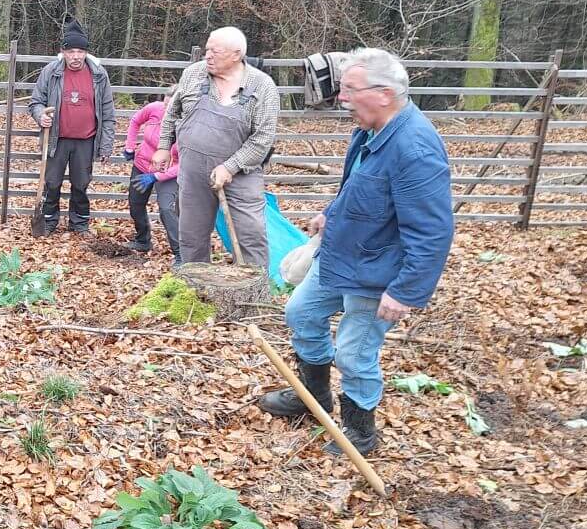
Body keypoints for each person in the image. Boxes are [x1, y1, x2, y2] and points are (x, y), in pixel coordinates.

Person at [257, 49, 453, 456]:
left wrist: (405, 291)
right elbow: (361, 186)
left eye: (350, 89)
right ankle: (314, 397)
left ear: (384, 93)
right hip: (342, 253)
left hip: (377, 269)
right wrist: (331, 213)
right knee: (301, 314)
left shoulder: (414, 149)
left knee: (354, 352)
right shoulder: (369, 132)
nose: (341, 98)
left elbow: (432, 230)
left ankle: (359, 431)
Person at [158, 26, 278, 271]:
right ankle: (195, 286)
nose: (208, 56)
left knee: (250, 235)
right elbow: (172, 112)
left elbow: (263, 138)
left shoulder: (262, 86)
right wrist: (163, 146)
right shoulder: (193, 74)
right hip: (193, 172)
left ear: (236, 55)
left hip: (241, 174)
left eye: (216, 51)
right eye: (207, 50)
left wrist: (230, 167)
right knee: (191, 236)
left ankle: (252, 286)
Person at [28, 19, 117, 234]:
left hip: (86, 139)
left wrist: (106, 145)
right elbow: (36, 102)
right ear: (63, 52)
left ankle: (79, 224)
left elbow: (107, 112)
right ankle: (48, 222)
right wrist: (41, 116)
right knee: (52, 182)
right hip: (56, 139)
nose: (76, 56)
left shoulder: (98, 74)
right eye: (71, 51)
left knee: (81, 183)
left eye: (80, 51)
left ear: (86, 52)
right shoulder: (51, 72)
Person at [123, 97, 181, 260]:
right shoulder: (154, 108)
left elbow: (184, 164)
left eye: (172, 105)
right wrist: (130, 146)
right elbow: (135, 120)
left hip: (168, 172)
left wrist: (156, 176)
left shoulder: (187, 125)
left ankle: (180, 252)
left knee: (166, 209)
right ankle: (143, 240)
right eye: (165, 104)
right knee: (135, 204)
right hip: (143, 164)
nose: (167, 109)